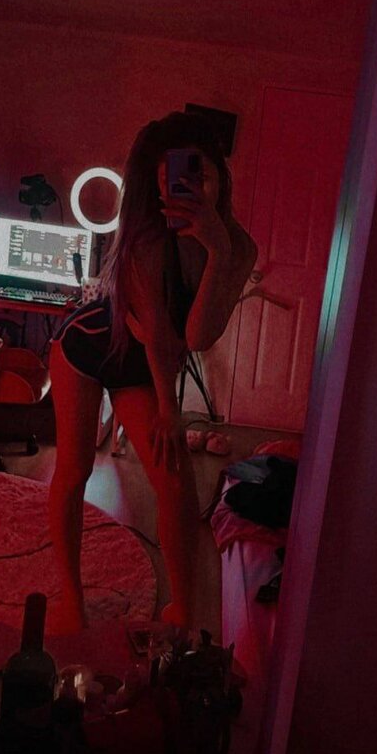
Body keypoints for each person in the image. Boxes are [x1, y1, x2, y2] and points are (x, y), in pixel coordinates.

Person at [48, 112, 258, 633]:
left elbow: (199, 337)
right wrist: (169, 408)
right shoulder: (145, 241)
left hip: (141, 364)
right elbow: (161, 335)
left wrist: (216, 249)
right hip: (87, 346)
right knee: (74, 469)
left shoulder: (238, 247)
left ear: (219, 176)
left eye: (197, 173)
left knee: (176, 481)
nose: (186, 188)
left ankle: (183, 610)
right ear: (155, 186)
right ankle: (71, 599)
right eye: (171, 181)